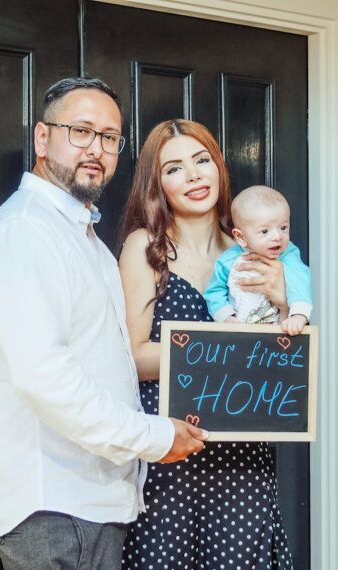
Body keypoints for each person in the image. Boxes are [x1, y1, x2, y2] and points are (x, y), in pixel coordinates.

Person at [0, 78, 208, 570]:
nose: (96, 149)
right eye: (81, 131)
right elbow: (44, 377)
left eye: (110, 137)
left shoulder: (83, 238)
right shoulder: (24, 233)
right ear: (41, 138)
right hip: (52, 505)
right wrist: (154, 438)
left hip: (90, 501)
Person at [117, 119, 295, 569]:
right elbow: (133, 357)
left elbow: (278, 365)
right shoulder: (145, 248)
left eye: (202, 161)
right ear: (157, 184)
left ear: (218, 167)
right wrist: (220, 350)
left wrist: (280, 305)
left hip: (241, 453)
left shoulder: (255, 250)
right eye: (174, 168)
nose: (194, 176)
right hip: (167, 451)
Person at [203, 185, 313, 335]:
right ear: (241, 237)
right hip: (239, 332)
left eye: (283, 228)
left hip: (276, 333)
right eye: (265, 231)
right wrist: (227, 318)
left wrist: (298, 314)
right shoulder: (228, 260)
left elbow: (300, 279)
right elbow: (214, 292)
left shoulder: (288, 254)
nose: (277, 237)